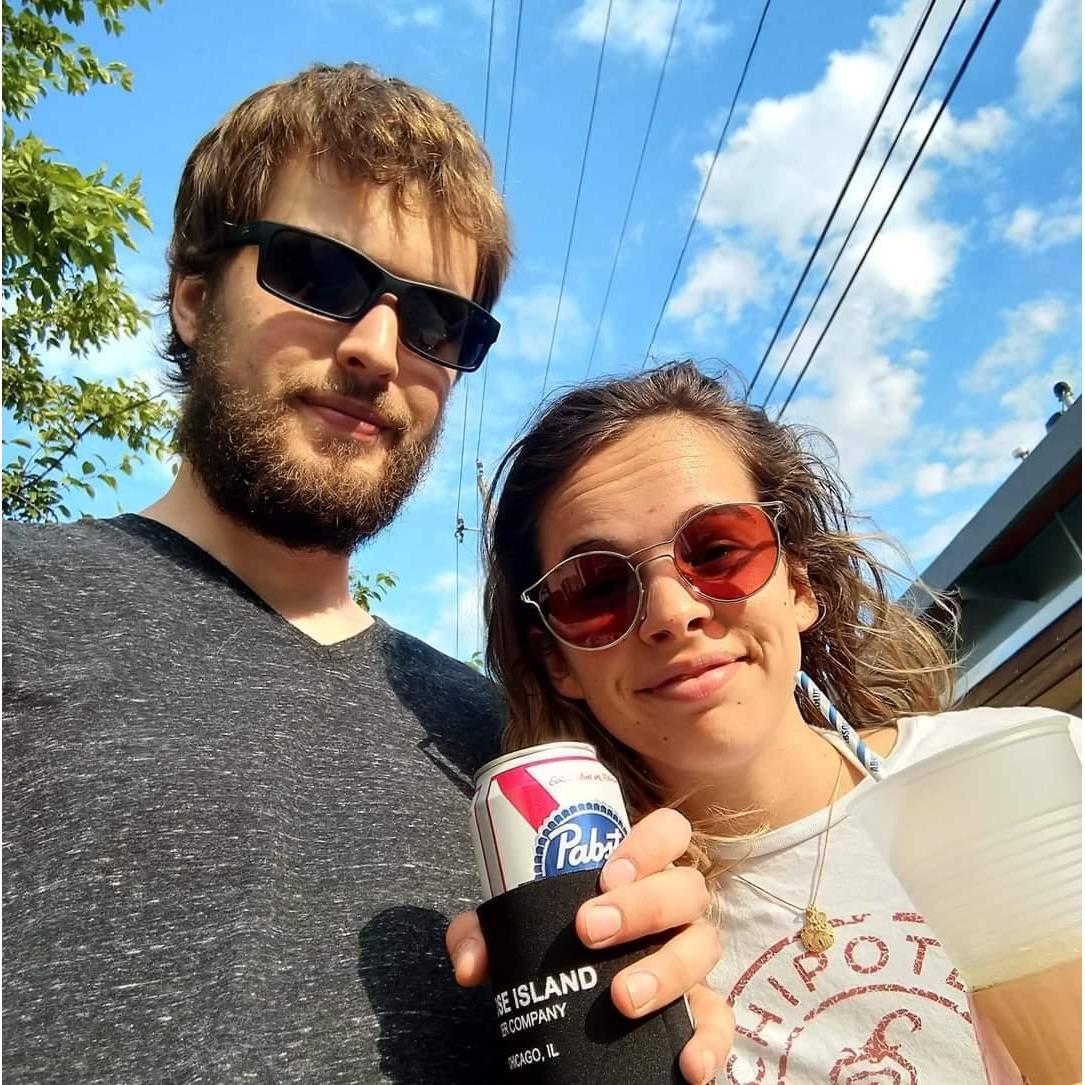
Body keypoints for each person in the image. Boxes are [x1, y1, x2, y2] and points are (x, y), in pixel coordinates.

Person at [2, 67, 731, 1083]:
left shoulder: (495, 737)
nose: (376, 349)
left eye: (438, 323)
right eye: (314, 273)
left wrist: (650, 1021)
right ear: (192, 295)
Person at [481, 360, 1077, 1084]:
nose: (672, 613)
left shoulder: (1031, 771)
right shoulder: (607, 955)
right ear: (558, 663)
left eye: (717, 549)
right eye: (595, 588)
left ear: (796, 584)